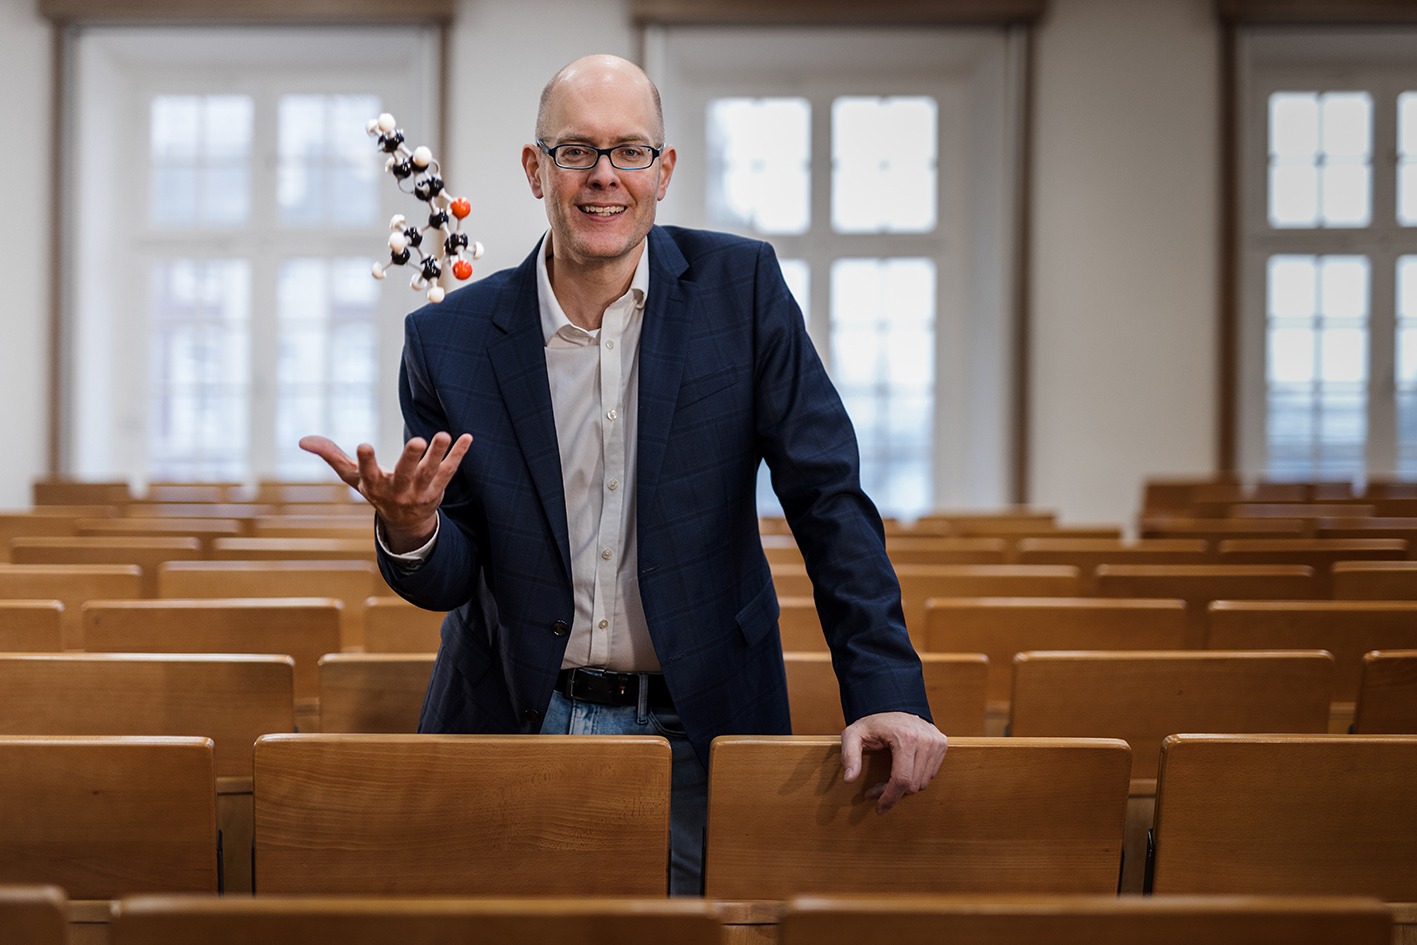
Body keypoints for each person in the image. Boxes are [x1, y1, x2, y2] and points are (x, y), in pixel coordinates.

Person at [301, 53, 948, 896]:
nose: (603, 175)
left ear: (662, 170)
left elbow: (828, 499)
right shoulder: (447, 340)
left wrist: (886, 689)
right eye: (575, 150)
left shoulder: (742, 290)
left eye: (629, 150)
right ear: (536, 169)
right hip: (511, 718)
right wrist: (412, 529)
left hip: (703, 721)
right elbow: (452, 575)